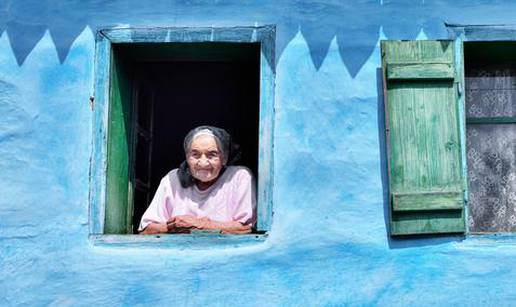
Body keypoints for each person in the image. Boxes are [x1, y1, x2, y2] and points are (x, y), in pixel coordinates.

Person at [138, 125, 256, 235]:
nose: (203, 162)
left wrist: (201, 225)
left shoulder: (239, 176)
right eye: (195, 154)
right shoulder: (172, 179)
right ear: (187, 157)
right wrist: (177, 227)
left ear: (224, 158)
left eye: (212, 154)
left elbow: (246, 228)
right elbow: (146, 229)